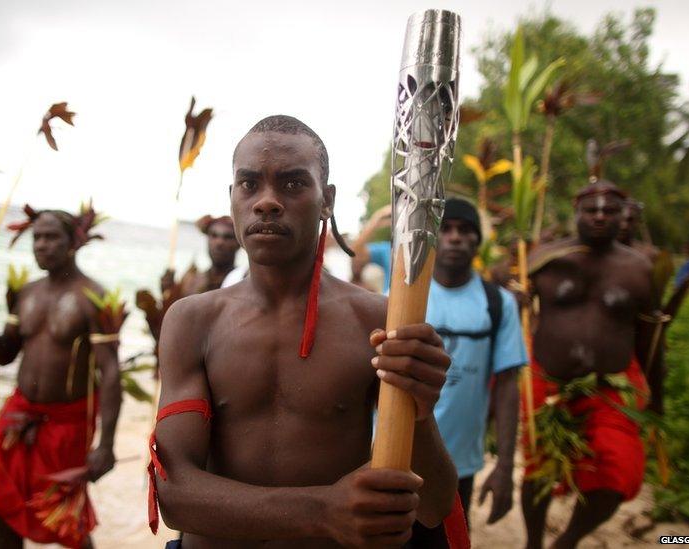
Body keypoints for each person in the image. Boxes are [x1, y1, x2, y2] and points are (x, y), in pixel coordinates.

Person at [148, 115, 461, 548]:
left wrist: (420, 408)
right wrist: (323, 511)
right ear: (232, 198)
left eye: (294, 184)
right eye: (249, 184)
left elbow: (434, 504)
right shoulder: (192, 321)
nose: (267, 202)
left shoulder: (379, 322)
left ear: (327, 200)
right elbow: (174, 494)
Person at [351, 198, 528, 530]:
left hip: (459, 464)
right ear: (430, 238)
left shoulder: (498, 303)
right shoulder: (398, 295)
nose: (455, 237)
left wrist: (504, 466)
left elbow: (507, 385)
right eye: (445, 229)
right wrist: (377, 219)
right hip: (389, 454)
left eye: (465, 230)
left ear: (478, 240)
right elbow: (356, 257)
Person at [0, 206, 121, 549]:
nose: (41, 245)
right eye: (37, 237)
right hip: (18, 415)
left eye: (51, 237)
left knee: (65, 518)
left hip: (66, 422)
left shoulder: (92, 297)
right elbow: (4, 353)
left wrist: (106, 445)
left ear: (73, 243)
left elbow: (110, 372)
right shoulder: (26, 294)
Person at [522, 180, 655, 549]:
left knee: (618, 471)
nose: (599, 216)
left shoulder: (640, 269)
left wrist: (657, 393)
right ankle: (532, 543)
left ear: (622, 215)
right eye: (590, 210)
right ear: (576, 212)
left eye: (609, 211)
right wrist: (515, 290)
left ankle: (567, 541)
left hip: (611, 387)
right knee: (539, 472)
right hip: (547, 380)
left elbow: (651, 339)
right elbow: (504, 290)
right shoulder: (543, 259)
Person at [163, 215, 241, 295]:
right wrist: (169, 291)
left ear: (239, 243)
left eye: (227, 237)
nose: (219, 243)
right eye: (214, 235)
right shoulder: (190, 282)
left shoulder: (243, 282)